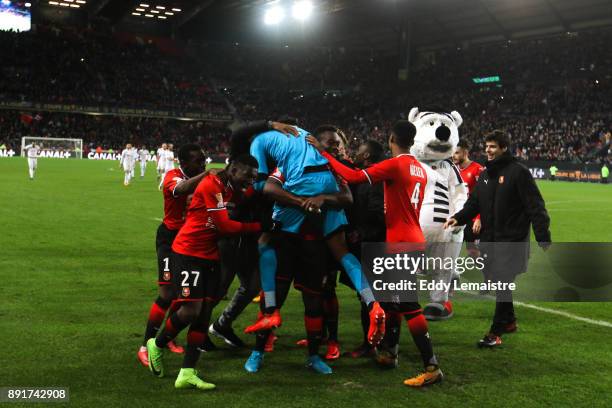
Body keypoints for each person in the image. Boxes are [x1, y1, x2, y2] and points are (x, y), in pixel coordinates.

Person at [308, 120, 443, 387]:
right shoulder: (420, 169)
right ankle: (390, 353)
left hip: (402, 242)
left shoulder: (397, 164)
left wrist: (323, 154)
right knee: (391, 302)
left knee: (408, 306)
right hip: (407, 239)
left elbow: (355, 177)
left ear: (392, 138)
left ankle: (432, 366)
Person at [146, 154, 263, 391]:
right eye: (247, 175)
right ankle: (156, 345)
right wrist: (261, 227)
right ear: (232, 169)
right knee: (191, 310)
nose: (250, 180)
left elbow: (247, 197)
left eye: (253, 176)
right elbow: (225, 226)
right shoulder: (212, 184)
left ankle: (187, 372)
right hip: (189, 253)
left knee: (204, 312)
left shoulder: (231, 187)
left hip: (210, 256)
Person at [444, 130, 551, 348]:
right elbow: (473, 204)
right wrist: (458, 218)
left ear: (503, 147)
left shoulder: (519, 172)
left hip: (512, 241)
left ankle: (496, 331)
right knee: (500, 282)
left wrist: (542, 236)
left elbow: (535, 206)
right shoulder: (485, 175)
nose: (488, 150)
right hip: (490, 240)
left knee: (502, 282)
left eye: (492, 146)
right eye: (486, 146)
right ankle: (509, 321)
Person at [137, 144, 209, 367]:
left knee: (182, 293)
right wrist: (207, 176)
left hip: (190, 243)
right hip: (170, 239)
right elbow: (180, 190)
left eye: (204, 160)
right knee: (167, 293)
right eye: (198, 161)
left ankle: (168, 338)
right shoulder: (173, 175)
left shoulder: (202, 179)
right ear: (184, 163)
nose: (203, 164)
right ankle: (145, 345)